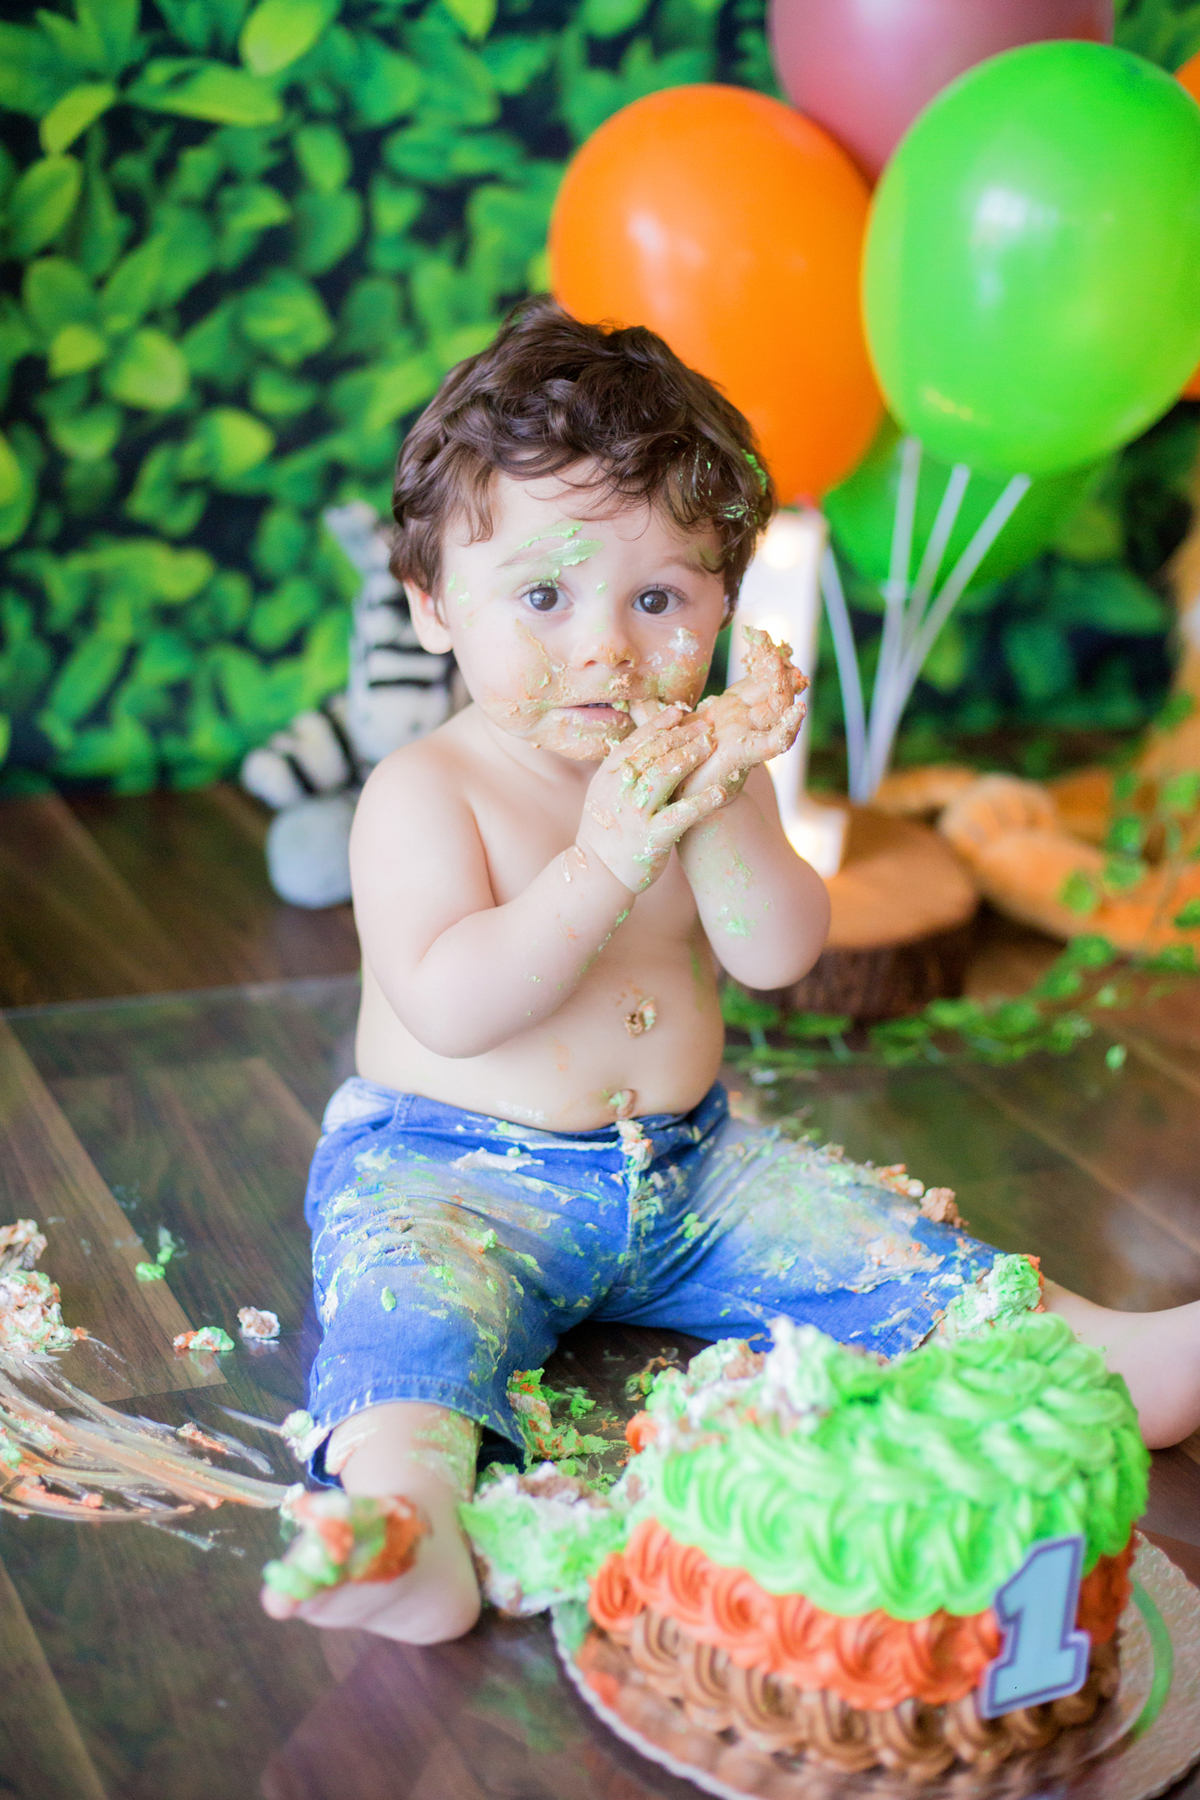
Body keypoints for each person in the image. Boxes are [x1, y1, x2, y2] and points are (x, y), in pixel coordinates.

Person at [262, 298, 1200, 1645]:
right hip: (451, 1170)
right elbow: (450, 1002)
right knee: (409, 1319)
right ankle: (402, 1520)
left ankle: (1109, 1352)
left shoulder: (706, 763)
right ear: (432, 607)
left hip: (691, 1167)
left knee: (876, 1241)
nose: (604, 647)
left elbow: (776, 955)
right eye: (543, 595)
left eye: (657, 599)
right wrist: (598, 861)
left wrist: (724, 805)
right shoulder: (428, 791)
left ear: (719, 606)